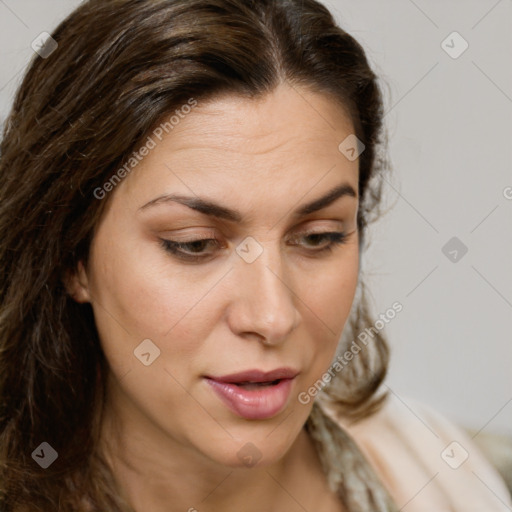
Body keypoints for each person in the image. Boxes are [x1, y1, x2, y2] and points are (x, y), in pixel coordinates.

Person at [0, 1, 509, 511]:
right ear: (72, 255)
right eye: (194, 244)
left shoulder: (446, 477)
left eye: (318, 237)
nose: (274, 317)